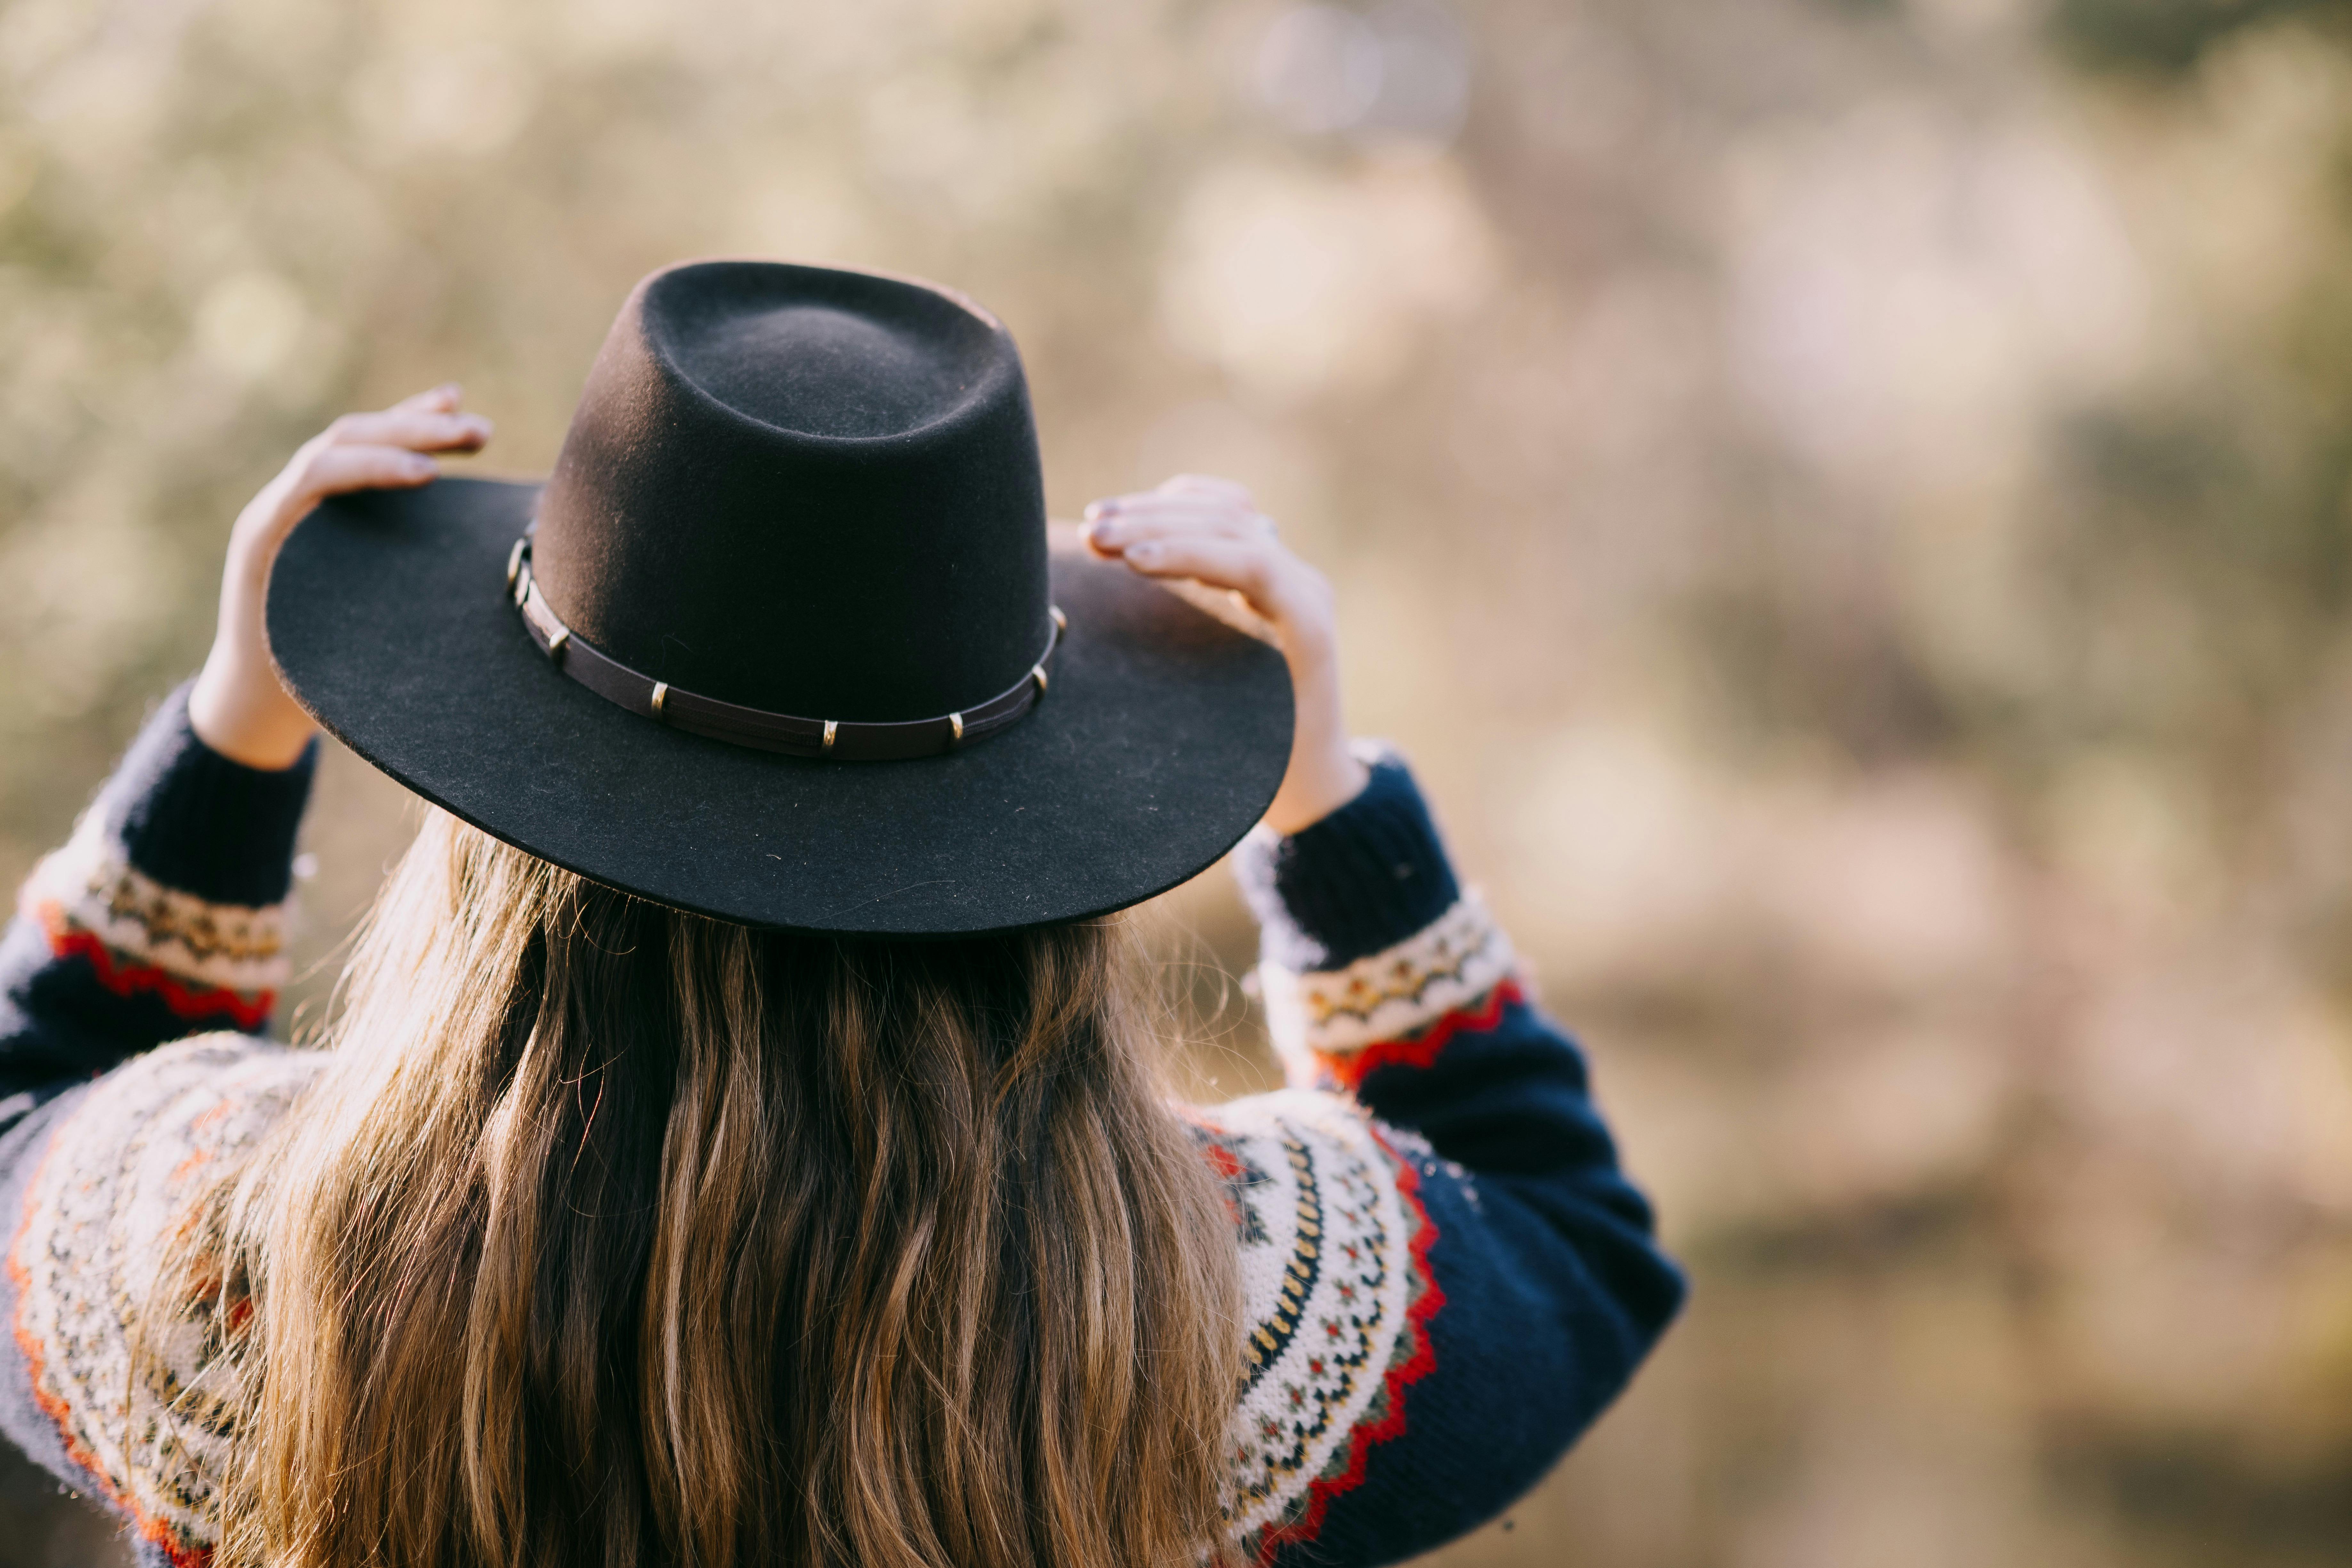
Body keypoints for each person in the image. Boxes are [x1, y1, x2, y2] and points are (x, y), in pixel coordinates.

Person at [0, 261, 1682, 1568]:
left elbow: (37, 1099)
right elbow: (1565, 1233)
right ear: (1024, 849)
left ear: (494, 812)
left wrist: (237, 723)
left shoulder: (233, 1257)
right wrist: (1325, 794)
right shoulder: (1218, 1315)